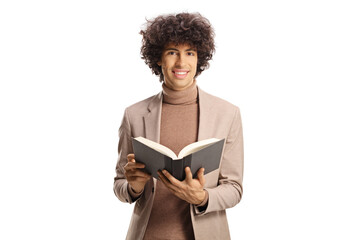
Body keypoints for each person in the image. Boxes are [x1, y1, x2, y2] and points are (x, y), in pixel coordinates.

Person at [113, 12, 244, 240]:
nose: (181, 62)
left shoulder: (227, 114)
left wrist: (201, 197)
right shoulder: (134, 114)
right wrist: (133, 187)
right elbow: (119, 185)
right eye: (172, 52)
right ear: (159, 59)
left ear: (199, 58)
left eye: (190, 53)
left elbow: (234, 188)